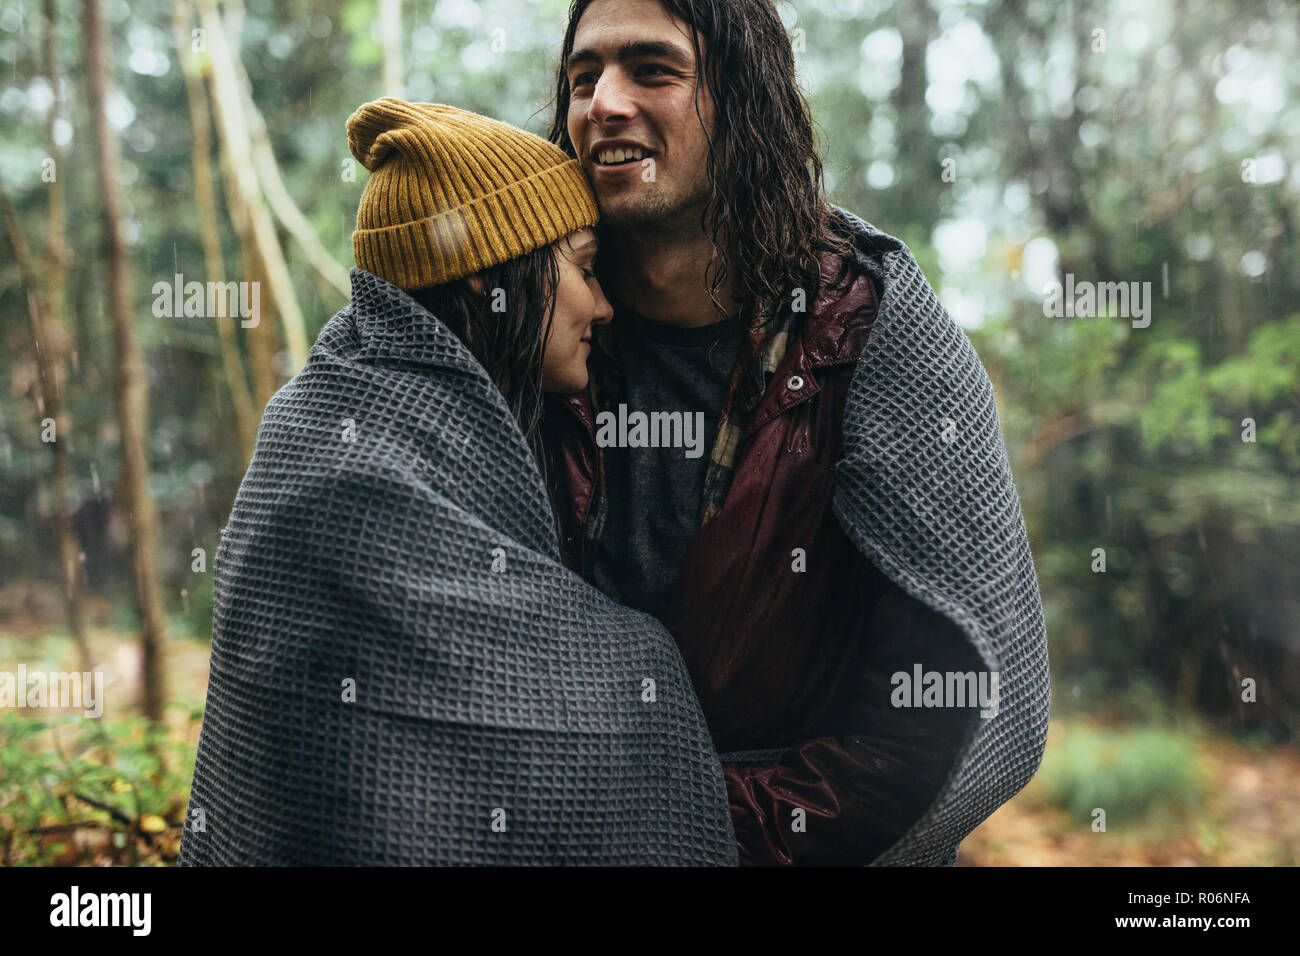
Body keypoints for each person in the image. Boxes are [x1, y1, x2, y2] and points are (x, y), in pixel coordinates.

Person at [543, 0, 1052, 865]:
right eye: (582, 77)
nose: (603, 103)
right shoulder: (526, 320)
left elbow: (940, 714)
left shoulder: (875, 333)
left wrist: (685, 834)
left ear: (745, 99)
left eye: (653, 70)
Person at [179, 99, 738, 866]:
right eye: (581, 269)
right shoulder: (346, 468)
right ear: (486, 279)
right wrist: (648, 669)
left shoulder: (348, 410)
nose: (605, 306)